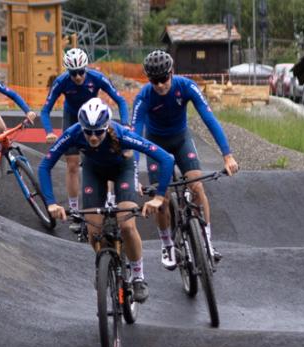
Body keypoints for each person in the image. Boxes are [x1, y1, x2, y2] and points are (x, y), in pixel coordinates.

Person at [39, 98, 172, 302]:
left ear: (106, 126)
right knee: (93, 230)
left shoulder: (122, 134)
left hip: (123, 171)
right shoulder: (73, 133)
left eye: (98, 132)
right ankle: (103, 264)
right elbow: (44, 166)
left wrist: (159, 197)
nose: (93, 137)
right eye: (88, 132)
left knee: (127, 225)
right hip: (94, 172)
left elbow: (167, 158)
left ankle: (138, 277)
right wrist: (51, 203)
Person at [131, 49, 240, 269]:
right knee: (161, 200)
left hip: (181, 140)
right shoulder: (144, 97)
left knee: (197, 186)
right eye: (155, 81)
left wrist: (227, 155)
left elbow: (209, 118)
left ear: (172, 73)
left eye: (164, 79)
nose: (160, 85)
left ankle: (206, 241)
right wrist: (133, 173)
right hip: (155, 145)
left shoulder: (186, 86)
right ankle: (167, 244)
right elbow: (135, 136)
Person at [40, 47, 130, 212]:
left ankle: (110, 199)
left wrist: (125, 123)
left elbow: (121, 100)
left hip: (96, 118)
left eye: (81, 72)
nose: (78, 77)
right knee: (72, 165)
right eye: (73, 73)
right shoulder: (61, 82)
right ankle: (74, 209)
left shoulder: (97, 77)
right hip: (73, 118)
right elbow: (45, 110)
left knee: (107, 157)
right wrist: (49, 131)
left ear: (86, 68)